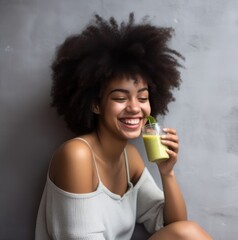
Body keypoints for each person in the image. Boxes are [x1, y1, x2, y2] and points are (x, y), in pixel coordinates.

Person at [35, 13, 212, 240]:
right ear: (96, 104)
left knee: (188, 232)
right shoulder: (76, 156)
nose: (134, 108)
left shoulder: (130, 158)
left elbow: (174, 227)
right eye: (120, 98)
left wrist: (167, 173)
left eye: (142, 97)